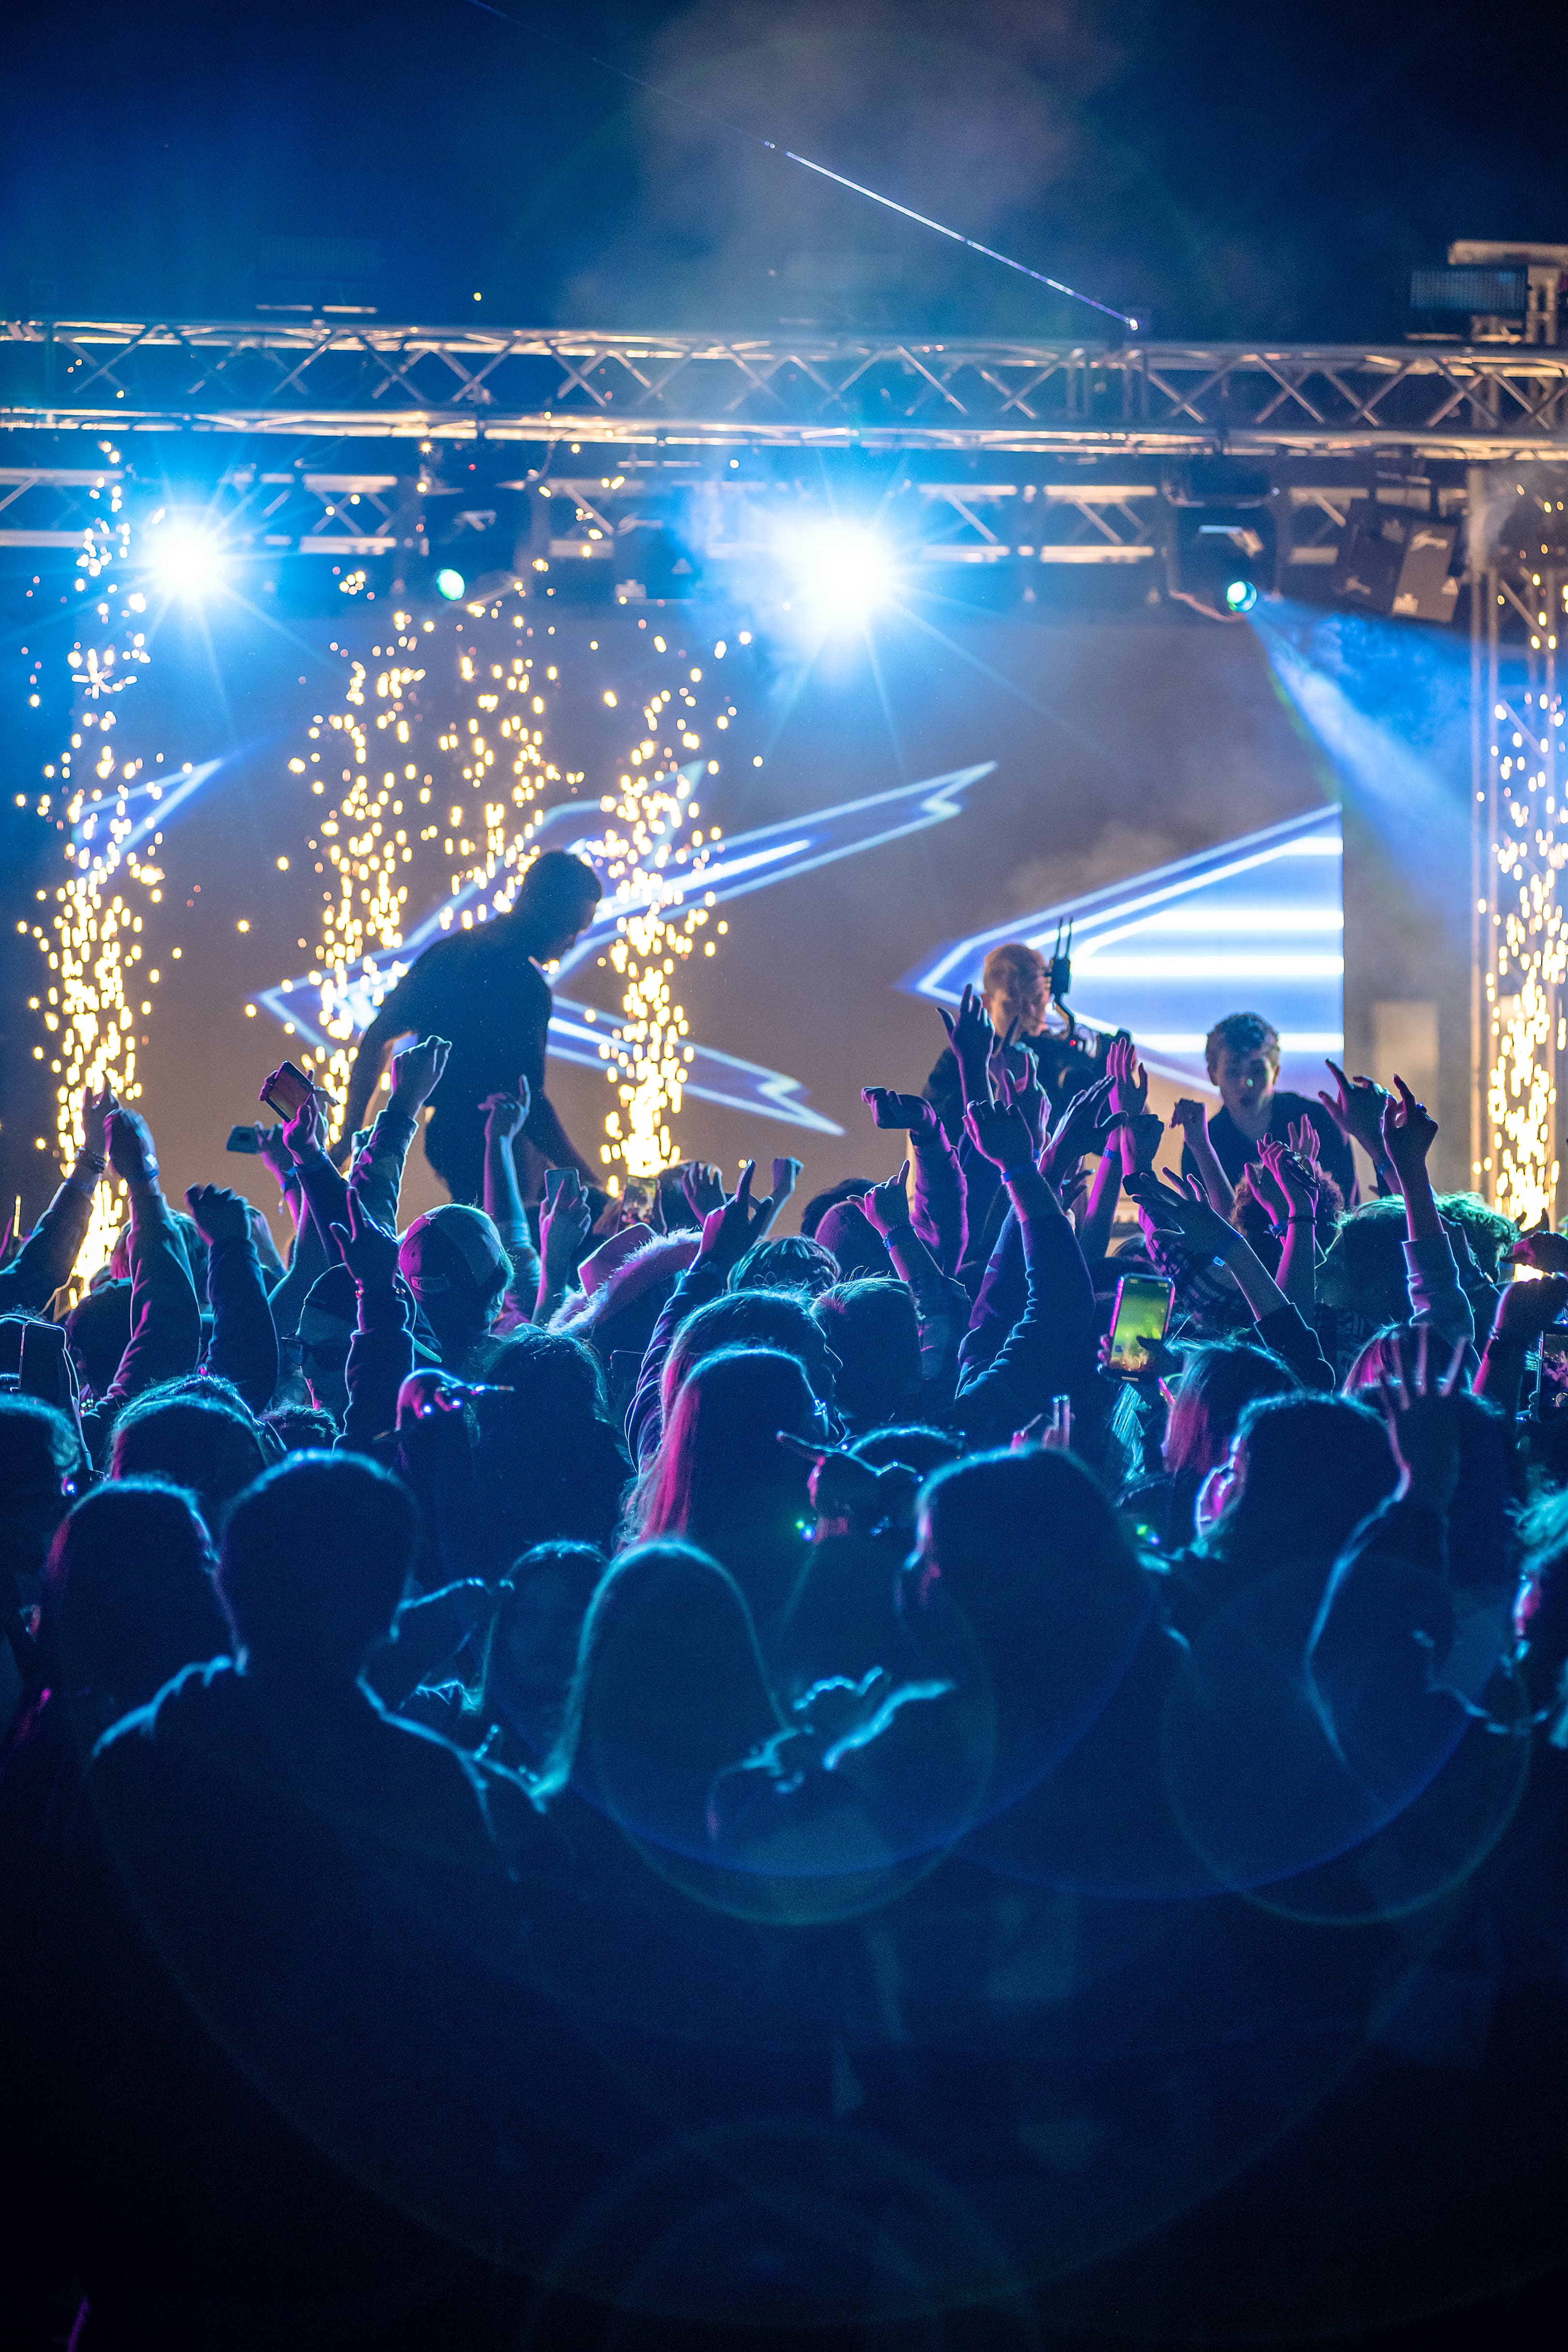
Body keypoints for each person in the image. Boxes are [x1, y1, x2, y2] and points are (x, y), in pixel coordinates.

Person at [333, 848, 604, 1204]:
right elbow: (531, 1105)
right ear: (546, 910)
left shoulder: (451, 953)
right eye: (572, 929)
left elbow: (378, 1037)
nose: (573, 943)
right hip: (495, 1144)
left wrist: (351, 1133)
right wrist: (594, 1186)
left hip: (445, 1139)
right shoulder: (526, 987)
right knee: (512, 1230)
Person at [924, 940, 1101, 1138]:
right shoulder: (963, 1057)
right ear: (986, 1002)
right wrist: (984, 1073)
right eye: (1012, 1004)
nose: (1029, 1013)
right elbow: (936, 1129)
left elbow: (1093, 1134)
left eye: (1037, 1001)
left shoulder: (1061, 1054)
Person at [1176, 1013, 1356, 1206]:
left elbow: (1348, 1210)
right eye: (1233, 1071)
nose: (1246, 1082)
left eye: (1256, 1070)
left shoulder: (1318, 1123)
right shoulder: (1200, 1144)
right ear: (1213, 1075)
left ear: (1276, 1072)